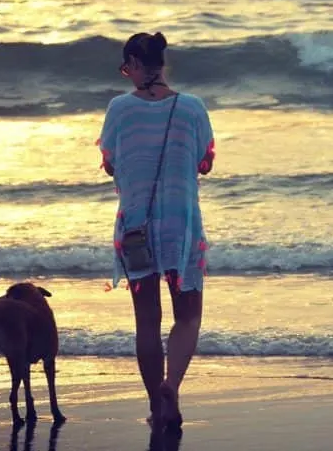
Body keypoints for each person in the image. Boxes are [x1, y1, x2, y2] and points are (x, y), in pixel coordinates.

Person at [97, 32, 215, 431]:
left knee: (146, 321)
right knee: (188, 316)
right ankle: (172, 386)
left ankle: (156, 406)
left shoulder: (119, 109)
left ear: (133, 62)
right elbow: (205, 162)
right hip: (180, 228)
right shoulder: (192, 108)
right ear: (162, 64)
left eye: (125, 67)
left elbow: (110, 162)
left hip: (135, 228)